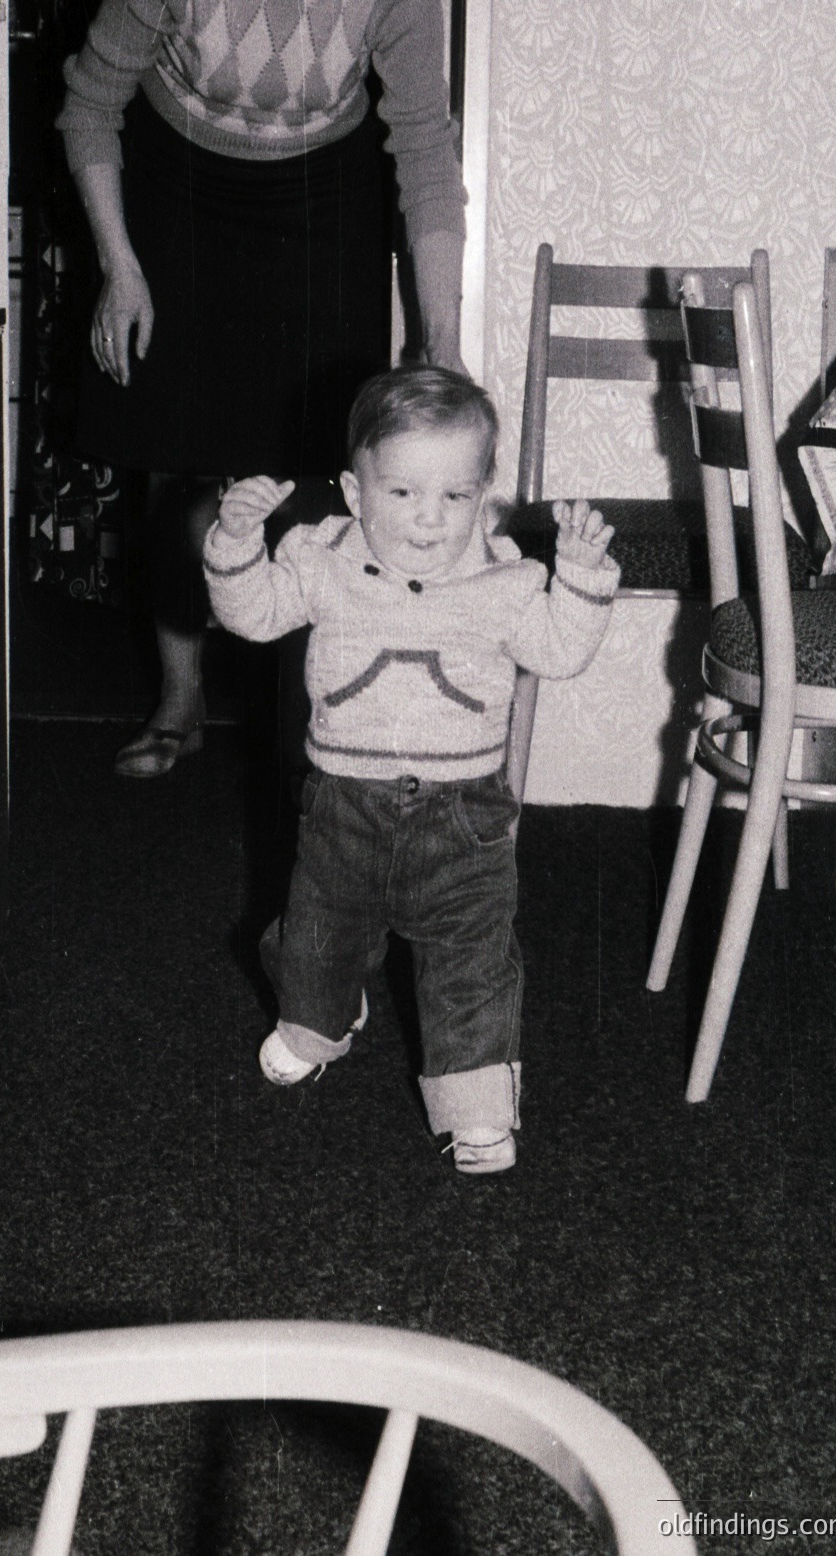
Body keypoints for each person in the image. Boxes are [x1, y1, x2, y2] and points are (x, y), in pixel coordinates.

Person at [203, 366, 620, 1173]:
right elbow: (252, 615)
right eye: (401, 494)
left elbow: (560, 651)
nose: (429, 519)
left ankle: (475, 1110)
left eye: (455, 497)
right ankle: (319, 1021)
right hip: (343, 809)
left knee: (472, 964)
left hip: (463, 818)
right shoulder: (321, 560)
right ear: (356, 495)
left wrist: (582, 576)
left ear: (483, 495)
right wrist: (235, 543)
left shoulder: (504, 578)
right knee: (317, 944)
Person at [57, 0, 467, 777]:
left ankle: (311, 715)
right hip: (176, 170)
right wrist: (120, 267)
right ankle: (181, 699)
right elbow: (91, 99)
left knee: (318, 469)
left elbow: (424, 149)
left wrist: (439, 339)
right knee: (171, 454)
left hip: (325, 179)